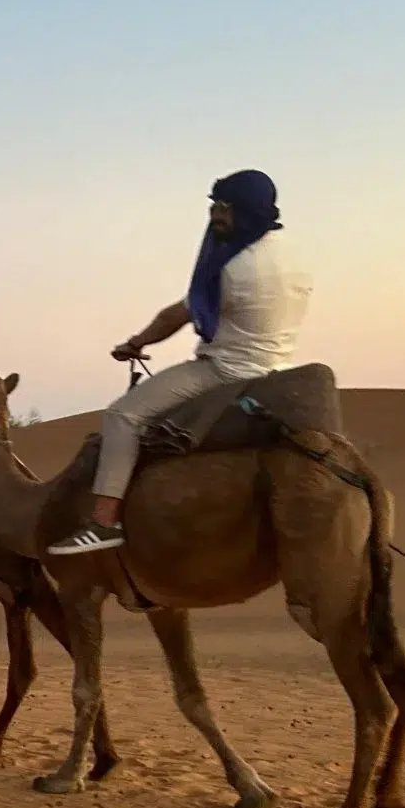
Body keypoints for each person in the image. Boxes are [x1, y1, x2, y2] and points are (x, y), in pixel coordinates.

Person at [47, 169, 311, 555]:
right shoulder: (290, 253)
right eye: (214, 206)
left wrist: (135, 343)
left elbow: (181, 314)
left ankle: (104, 521)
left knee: (122, 416)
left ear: (246, 210)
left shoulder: (235, 268)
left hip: (226, 372)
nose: (216, 216)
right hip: (277, 370)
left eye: (225, 208)